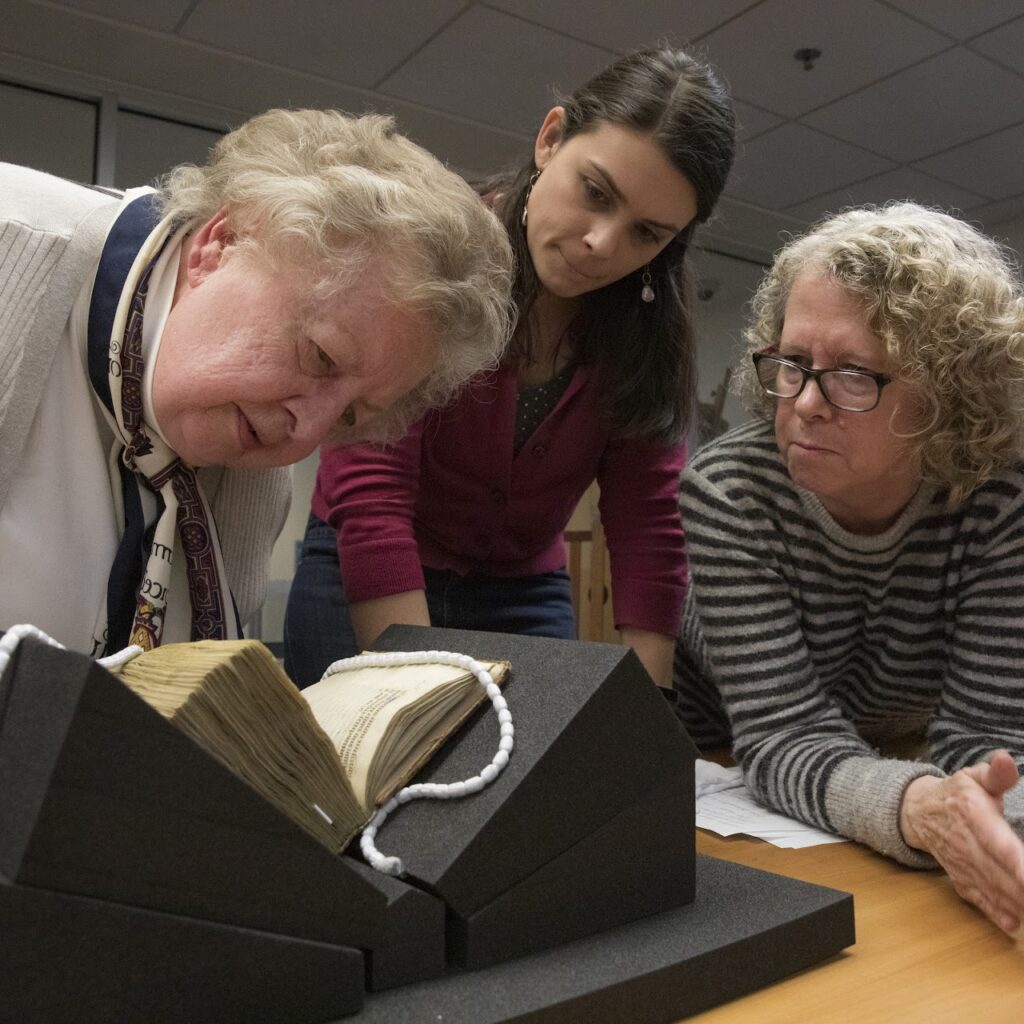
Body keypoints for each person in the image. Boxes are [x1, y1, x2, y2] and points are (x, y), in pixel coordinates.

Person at [284, 47, 737, 689]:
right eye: (596, 192)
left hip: (522, 590)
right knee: (366, 772)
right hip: (368, 562)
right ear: (551, 139)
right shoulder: (434, 256)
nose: (602, 245)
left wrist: (648, 719)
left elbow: (649, 521)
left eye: (648, 234)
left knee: (547, 778)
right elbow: (373, 490)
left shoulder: (642, 334)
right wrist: (416, 699)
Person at [0, 109, 513, 658]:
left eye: (348, 416)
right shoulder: (13, 247)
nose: (306, 431)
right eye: (320, 356)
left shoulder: (251, 474)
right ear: (221, 245)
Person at [674, 202, 1024, 935]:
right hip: (717, 749)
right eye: (792, 364)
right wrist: (920, 809)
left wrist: (993, 825)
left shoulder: (1000, 502)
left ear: (947, 397)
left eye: (855, 376)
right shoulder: (730, 490)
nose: (804, 403)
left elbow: (988, 743)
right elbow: (780, 734)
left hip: (886, 745)